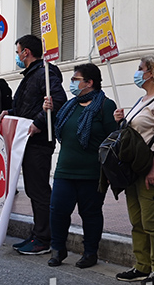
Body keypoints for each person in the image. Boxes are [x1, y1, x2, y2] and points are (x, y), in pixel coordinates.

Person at [44, 63, 117, 268]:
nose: (72, 83)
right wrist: (48, 111)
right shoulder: (70, 106)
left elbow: (114, 139)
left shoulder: (105, 105)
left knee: (91, 214)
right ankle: (58, 249)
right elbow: (58, 127)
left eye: (76, 79)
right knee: (57, 210)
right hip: (64, 170)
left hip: (92, 173)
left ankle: (90, 252)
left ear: (89, 82)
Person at [114, 54, 154, 285]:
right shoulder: (142, 100)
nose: (138, 72)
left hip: (149, 164)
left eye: (141, 68)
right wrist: (120, 120)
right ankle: (141, 265)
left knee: (152, 219)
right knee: (137, 219)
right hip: (134, 167)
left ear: (152, 72)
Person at [2, 34, 67, 255]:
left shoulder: (46, 73)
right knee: (32, 189)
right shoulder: (32, 75)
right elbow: (28, 106)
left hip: (38, 142)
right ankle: (38, 234)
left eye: (18, 51)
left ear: (26, 52)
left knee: (39, 191)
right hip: (28, 141)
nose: (17, 56)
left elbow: (57, 101)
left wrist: (39, 123)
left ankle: (43, 239)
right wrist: (10, 112)